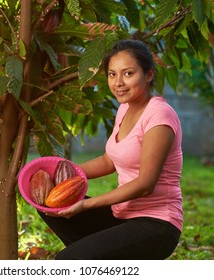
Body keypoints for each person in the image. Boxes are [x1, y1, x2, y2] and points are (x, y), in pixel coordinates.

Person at [38, 39, 183, 260]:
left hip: (156, 224)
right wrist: (61, 173)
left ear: (149, 74)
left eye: (128, 73)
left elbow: (145, 185)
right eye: (112, 74)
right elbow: (109, 161)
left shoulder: (159, 116)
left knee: (68, 260)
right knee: (49, 205)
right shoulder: (125, 108)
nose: (118, 83)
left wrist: (85, 205)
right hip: (121, 216)